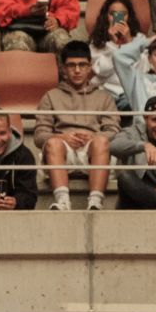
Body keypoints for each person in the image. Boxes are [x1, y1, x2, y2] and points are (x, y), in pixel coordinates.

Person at [34, 38, 116, 210]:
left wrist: (95, 136)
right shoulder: (50, 96)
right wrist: (61, 136)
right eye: (71, 65)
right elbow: (39, 136)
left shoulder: (104, 97)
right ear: (63, 68)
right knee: (53, 143)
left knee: (102, 142)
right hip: (63, 151)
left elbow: (114, 131)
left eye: (82, 65)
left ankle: (95, 201)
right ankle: (63, 201)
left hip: (92, 151)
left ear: (89, 66)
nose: (77, 70)